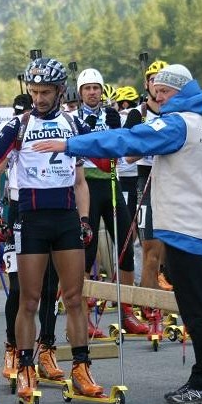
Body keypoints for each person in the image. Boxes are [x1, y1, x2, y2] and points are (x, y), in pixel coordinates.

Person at [34, 63, 202, 404]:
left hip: (183, 227)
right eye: (155, 91)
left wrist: (70, 144)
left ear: (181, 91)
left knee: (196, 309)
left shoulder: (177, 123)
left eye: (164, 91)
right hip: (199, 224)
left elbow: (125, 139)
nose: (158, 97)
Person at [0, 57, 103, 399]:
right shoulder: (19, 125)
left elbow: (98, 167)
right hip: (30, 220)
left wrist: (107, 139)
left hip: (65, 219)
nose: (39, 98)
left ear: (60, 91)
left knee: (74, 297)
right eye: (34, 91)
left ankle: (81, 367)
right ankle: (25, 367)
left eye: (45, 92)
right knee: (29, 299)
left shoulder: (73, 123)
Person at [0, 93, 65, 381]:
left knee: (49, 286)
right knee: (19, 288)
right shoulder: (16, 130)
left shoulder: (55, 127)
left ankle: (46, 348)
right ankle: (13, 347)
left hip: (48, 207)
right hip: (17, 211)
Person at [74, 67, 148, 335]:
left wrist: (121, 130)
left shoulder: (112, 114)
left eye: (96, 88)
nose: (92, 92)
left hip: (111, 183)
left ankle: (127, 311)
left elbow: (124, 147)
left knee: (126, 243)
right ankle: (82, 317)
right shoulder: (73, 117)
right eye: (87, 88)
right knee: (87, 250)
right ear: (80, 93)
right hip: (87, 184)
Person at [125, 60, 173, 298]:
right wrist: (153, 144)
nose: (157, 85)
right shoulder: (139, 113)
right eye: (153, 79)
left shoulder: (175, 113)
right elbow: (128, 156)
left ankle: (168, 302)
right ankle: (149, 305)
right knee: (150, 251)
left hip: (174, 179)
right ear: (146, 84)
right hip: (147, 180)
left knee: (170, 251)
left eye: (163, 80)